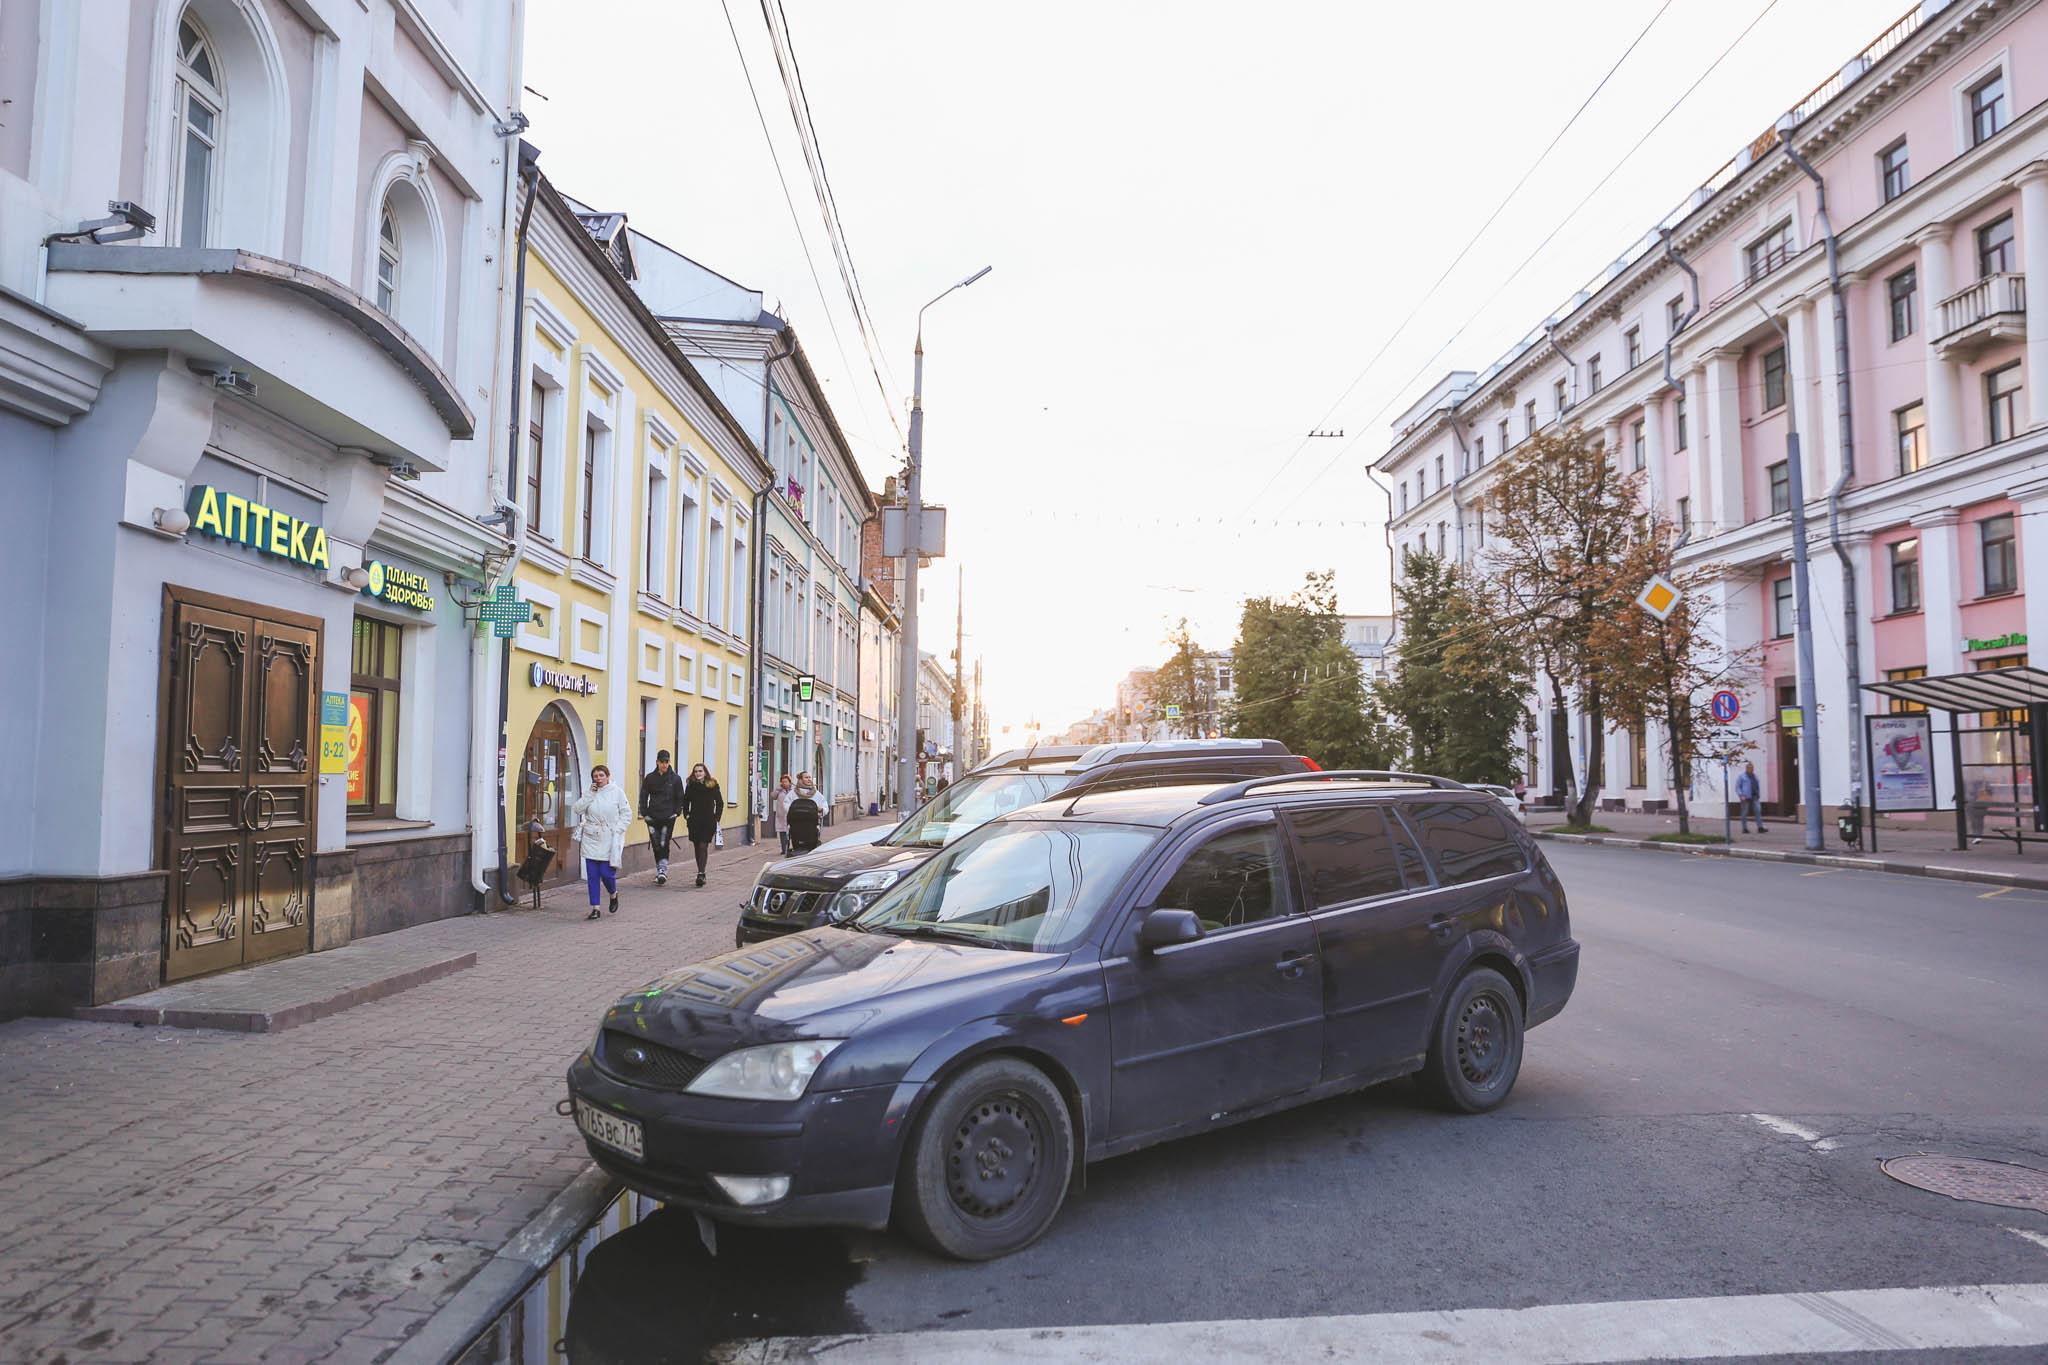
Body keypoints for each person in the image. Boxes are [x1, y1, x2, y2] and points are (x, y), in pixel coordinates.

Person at [571, 764, 633, 921]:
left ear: (607, 776)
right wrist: (589, 795)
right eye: (595, 776)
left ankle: (613, 893)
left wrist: (618, 829)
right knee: (592, 875)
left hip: (609, 837)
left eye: (601, 775)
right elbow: (577, 809)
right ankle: (595, 908)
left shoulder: (617, 792)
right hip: (591, 836)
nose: (598, 779)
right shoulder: (590, 793)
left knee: (606, 873)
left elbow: (626, 813)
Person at [638, 750, 686, 885]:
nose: (664, 764)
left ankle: (662, 871)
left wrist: (676, 812)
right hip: (652, 817)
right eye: (662, 762)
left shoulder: (675, 778)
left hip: (668, 816)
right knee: (655, 843)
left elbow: (680, 797)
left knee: (664, 842)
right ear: (657, 762)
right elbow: (643, 795)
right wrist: (644, 813)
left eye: (667, 762)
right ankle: (659, 869)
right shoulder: (650, 778)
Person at [681, 763, 725, 887]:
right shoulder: (691, 785)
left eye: (700, 771)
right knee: (696, 846)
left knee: (703, 846)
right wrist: (687, 815)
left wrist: (716, 818)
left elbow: (720, 802)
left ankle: (701, 873)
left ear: (705, 772)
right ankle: (701, 870)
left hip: (708, 820)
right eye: (696, 771)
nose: (698, 773)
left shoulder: (712, 785)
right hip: (694, 820)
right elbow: (685, 801)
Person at [786, 772, 822, 854]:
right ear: (800, 779)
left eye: (810, 777)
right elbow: (787, 805)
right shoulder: (792, 794)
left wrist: (821, 810)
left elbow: (823, 805)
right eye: (806, 777)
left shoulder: (816, 794)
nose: (809, 779)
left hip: (811, 826)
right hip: (796, 825)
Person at [770, 773, 795, 855]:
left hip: (792, 814)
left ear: (789, 782)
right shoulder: (779, 790)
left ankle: (793, 847)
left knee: (792, 831)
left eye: (786, 781)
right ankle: (784, 849)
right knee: (782, 832)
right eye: (783, 782)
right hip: (781, 814)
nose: (784, 783)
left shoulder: (793, 790)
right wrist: (777, 790)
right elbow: (773, 796)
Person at [1735, 761, 1763, 834]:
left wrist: (1758, 794)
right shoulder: (1742, 776)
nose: (1751, 769)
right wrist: (1741, 795)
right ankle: (1744, 828)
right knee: (1744, 813)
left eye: (1752, 768)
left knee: (1758, 811)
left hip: (1755, 796)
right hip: (1745, 797)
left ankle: (1760, 827)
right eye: (1749, 768)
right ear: (1746, 768)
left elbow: (1757, 786)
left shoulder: (1755, 776)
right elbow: (1737, 787)